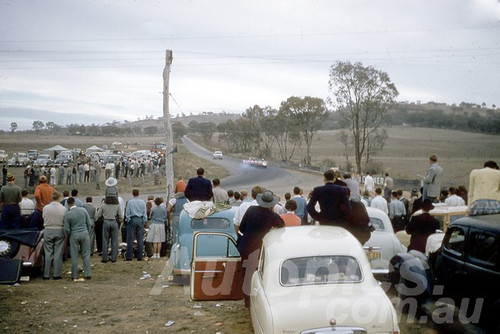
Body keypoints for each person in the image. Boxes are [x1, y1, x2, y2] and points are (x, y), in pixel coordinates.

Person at [237, 190, 285, 307]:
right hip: (260, 248)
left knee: (247, 274)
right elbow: (282, 224)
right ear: (271, 204)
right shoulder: (271, 215)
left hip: (246, 246)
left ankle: (247, 302)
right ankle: (259, 301)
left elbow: (242, 228)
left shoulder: (251, 210)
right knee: (261, 275)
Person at [64, 197, 92, 281]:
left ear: (68, 204)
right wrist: (87, 232)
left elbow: (66, 228)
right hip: (84, 233)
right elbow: (89, 223)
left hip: (74, 234)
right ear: (75, 202)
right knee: (86, 254)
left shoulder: (68, 214)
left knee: (74, 255)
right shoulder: (83, 210)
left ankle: (74, 275)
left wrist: (69, 236)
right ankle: (87, 273)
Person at [42, 191, 67, 280]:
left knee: (48, 252)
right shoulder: (63, 209)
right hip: (59, 229)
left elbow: (43, 217)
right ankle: (57, 274)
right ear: (59, 198)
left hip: (48, 229)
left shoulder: (45, 208)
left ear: (51, 198)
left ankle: (46, 274)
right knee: (58, 252)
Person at [96, 195, 122, 263]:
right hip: (114, 222)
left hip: (106, 222)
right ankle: (113, 258)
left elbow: (98, 215)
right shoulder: (117, 205)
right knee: (114, 241)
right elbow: (120, 215)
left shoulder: (103, 205)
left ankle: (104, 258)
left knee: (105, 241)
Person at [125, 189, 147, 261]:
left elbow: (127, 212)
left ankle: (129, 256)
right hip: (140, 219)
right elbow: (144, 212)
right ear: (138, 194)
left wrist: (127, 219)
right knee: (140, 239)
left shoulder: (130, 202)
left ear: (132, 194)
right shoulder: (142, 202)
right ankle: (140, 256)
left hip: (132, 219)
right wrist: (144, 220)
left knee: (130, 238)